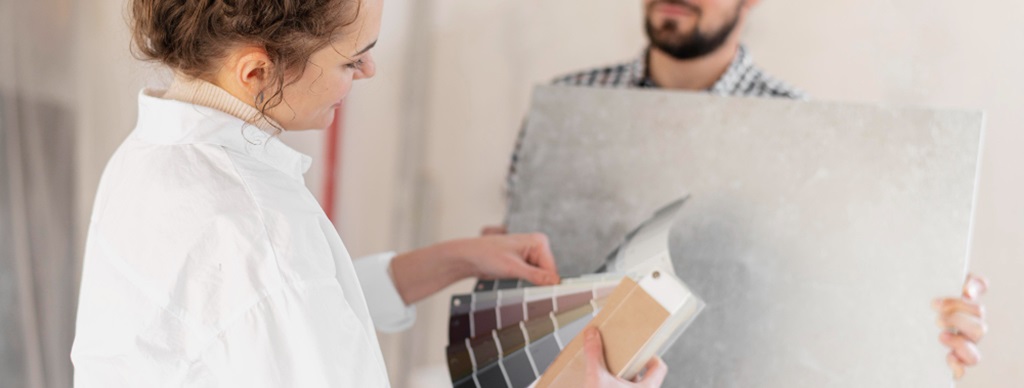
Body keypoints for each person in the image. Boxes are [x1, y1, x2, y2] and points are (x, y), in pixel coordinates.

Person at [71, 0, 663, 387]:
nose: (369, 72)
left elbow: (290, 311)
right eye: (353, 60)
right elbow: (281, 290)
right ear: (257, 73)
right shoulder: (255, 229)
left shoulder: (156, 155)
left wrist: (456, 258)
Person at [491, 0, 989, 380]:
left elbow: (833, 301)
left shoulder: (807, 134)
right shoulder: (566, 110)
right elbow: (521, 284)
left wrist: (927, 319)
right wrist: (495, 278)